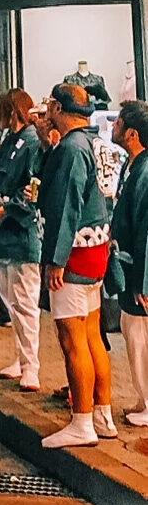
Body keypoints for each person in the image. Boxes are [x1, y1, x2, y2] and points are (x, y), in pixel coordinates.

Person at [37, 83, 114, 449]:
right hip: (97, 247)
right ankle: (103, 412)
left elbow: (65, 206)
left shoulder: (71, 148)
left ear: (56, 106)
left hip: (75, 252)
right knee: (93, 333)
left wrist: (55, 259)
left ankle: (82, 421)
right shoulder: (94, 144)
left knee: (73, 339)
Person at [0, 89, 42, 393]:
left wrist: (5, 210)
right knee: (9, 300)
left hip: (20, 232)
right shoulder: (7, 142)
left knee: (26, 302)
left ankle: (32, 366)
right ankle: (20, 358)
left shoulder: (31, 143)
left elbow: (32, 190)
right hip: (1, 233)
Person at [111, 100, 148, 427]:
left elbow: (146, 230)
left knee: (139, 336)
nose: (113, 125)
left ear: (132, 133)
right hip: (130, 267)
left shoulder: (145, 171)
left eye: (118, 121)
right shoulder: (132, 164)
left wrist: (141, 282)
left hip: (138, 270)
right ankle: (142, 399)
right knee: (132, 332)